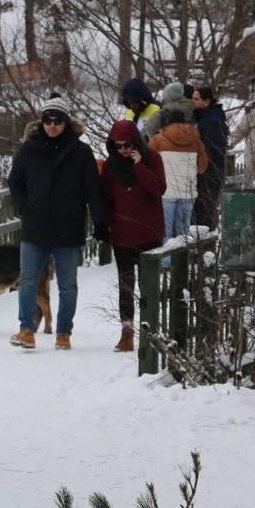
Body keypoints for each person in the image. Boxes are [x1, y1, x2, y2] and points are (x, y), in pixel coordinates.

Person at [7, 93, 109, 351]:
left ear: (66, 123)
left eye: (57, 121)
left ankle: (63, 333)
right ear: (42, 122)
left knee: (68, 284)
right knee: (28, 280)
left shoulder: (81, 152)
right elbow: (15, 181)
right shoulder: (29, 149)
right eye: (48, 120)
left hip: (68, 225)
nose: (52, 125)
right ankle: (26, 329)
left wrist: (100, 222)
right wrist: (24, 206)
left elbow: (92, 189)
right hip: (36, 225)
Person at [98, 119, 166, 352]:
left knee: (149, 286)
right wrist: (104, 226)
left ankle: (152, 332)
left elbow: (158, 189)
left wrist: (139, 166)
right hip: (123, 234)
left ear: (136, 142)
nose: (123, 150)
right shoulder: (109, 167)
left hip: (149, 231)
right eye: (118, 146)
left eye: (127, 145)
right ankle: (127, 333)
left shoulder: (153, 159)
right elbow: (106, 198)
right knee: (126, 286)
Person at [147, 108, 208, 245]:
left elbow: (148, 164)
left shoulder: (158, 140)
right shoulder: (196, 141)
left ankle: (167, 264)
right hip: (188, 191)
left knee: (166, 230)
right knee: (184, 230)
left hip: (166, 191)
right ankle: (183, 263)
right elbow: (202, 167)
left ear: (168, 122)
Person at [192, 85, 230, 228]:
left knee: (204, 213)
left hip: (209, 174)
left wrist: (202, 163)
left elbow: (214, 150)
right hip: (209, 172)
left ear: (206, 101)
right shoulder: (208, 118)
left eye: (196, 99)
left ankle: (206, 245)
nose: (193, 102)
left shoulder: (211, 122)